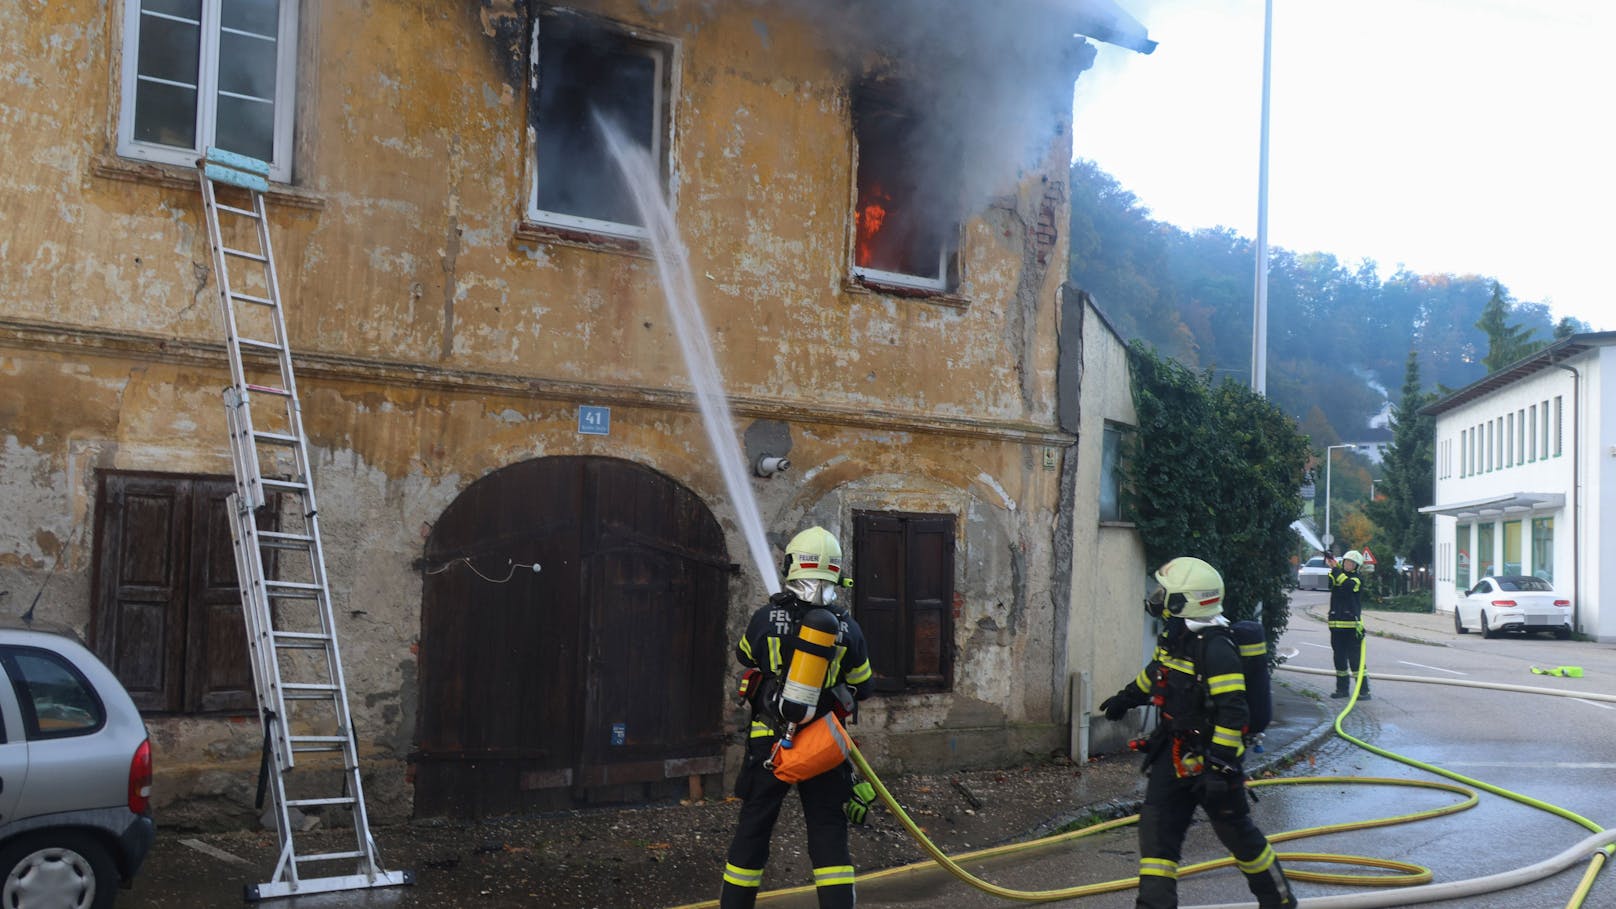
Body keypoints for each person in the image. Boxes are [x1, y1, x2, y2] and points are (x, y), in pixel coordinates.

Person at [1098, 557, 1297, 909]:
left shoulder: (1217, 648)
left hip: (1212, 764)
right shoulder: (1177, 638)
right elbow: (1158, 672)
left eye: (1165, 593)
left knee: (1240, 837)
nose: (1157, 599)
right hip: (1173, 755)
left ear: (1184, 601)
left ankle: (1279, 902)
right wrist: (1126, 698)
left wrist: (1219, 767)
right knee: (1157, 837)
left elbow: (1233, 713)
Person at [719, 526, 874, 909]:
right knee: (828, 830)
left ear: (791, 566)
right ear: (837, 572)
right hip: (820, 744)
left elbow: (744, 656)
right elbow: (863, 685)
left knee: (754, 826)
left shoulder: (765, 617)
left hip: (768, 741)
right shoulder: (846, 627)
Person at [1324, 550, 1368, 699]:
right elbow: (1331, 583)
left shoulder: (1357, 579)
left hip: (1351, 627)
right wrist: (1332, 566)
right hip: (1336, 626)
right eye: (1346, 562)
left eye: (1351, 563)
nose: (1348, 564)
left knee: (1356, 661)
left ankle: (1364, 691)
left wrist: (1336, 569)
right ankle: (1342, 690)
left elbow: (1348, 586)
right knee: (1339, 659)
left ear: (1356, 566)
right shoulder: (1338, 574)